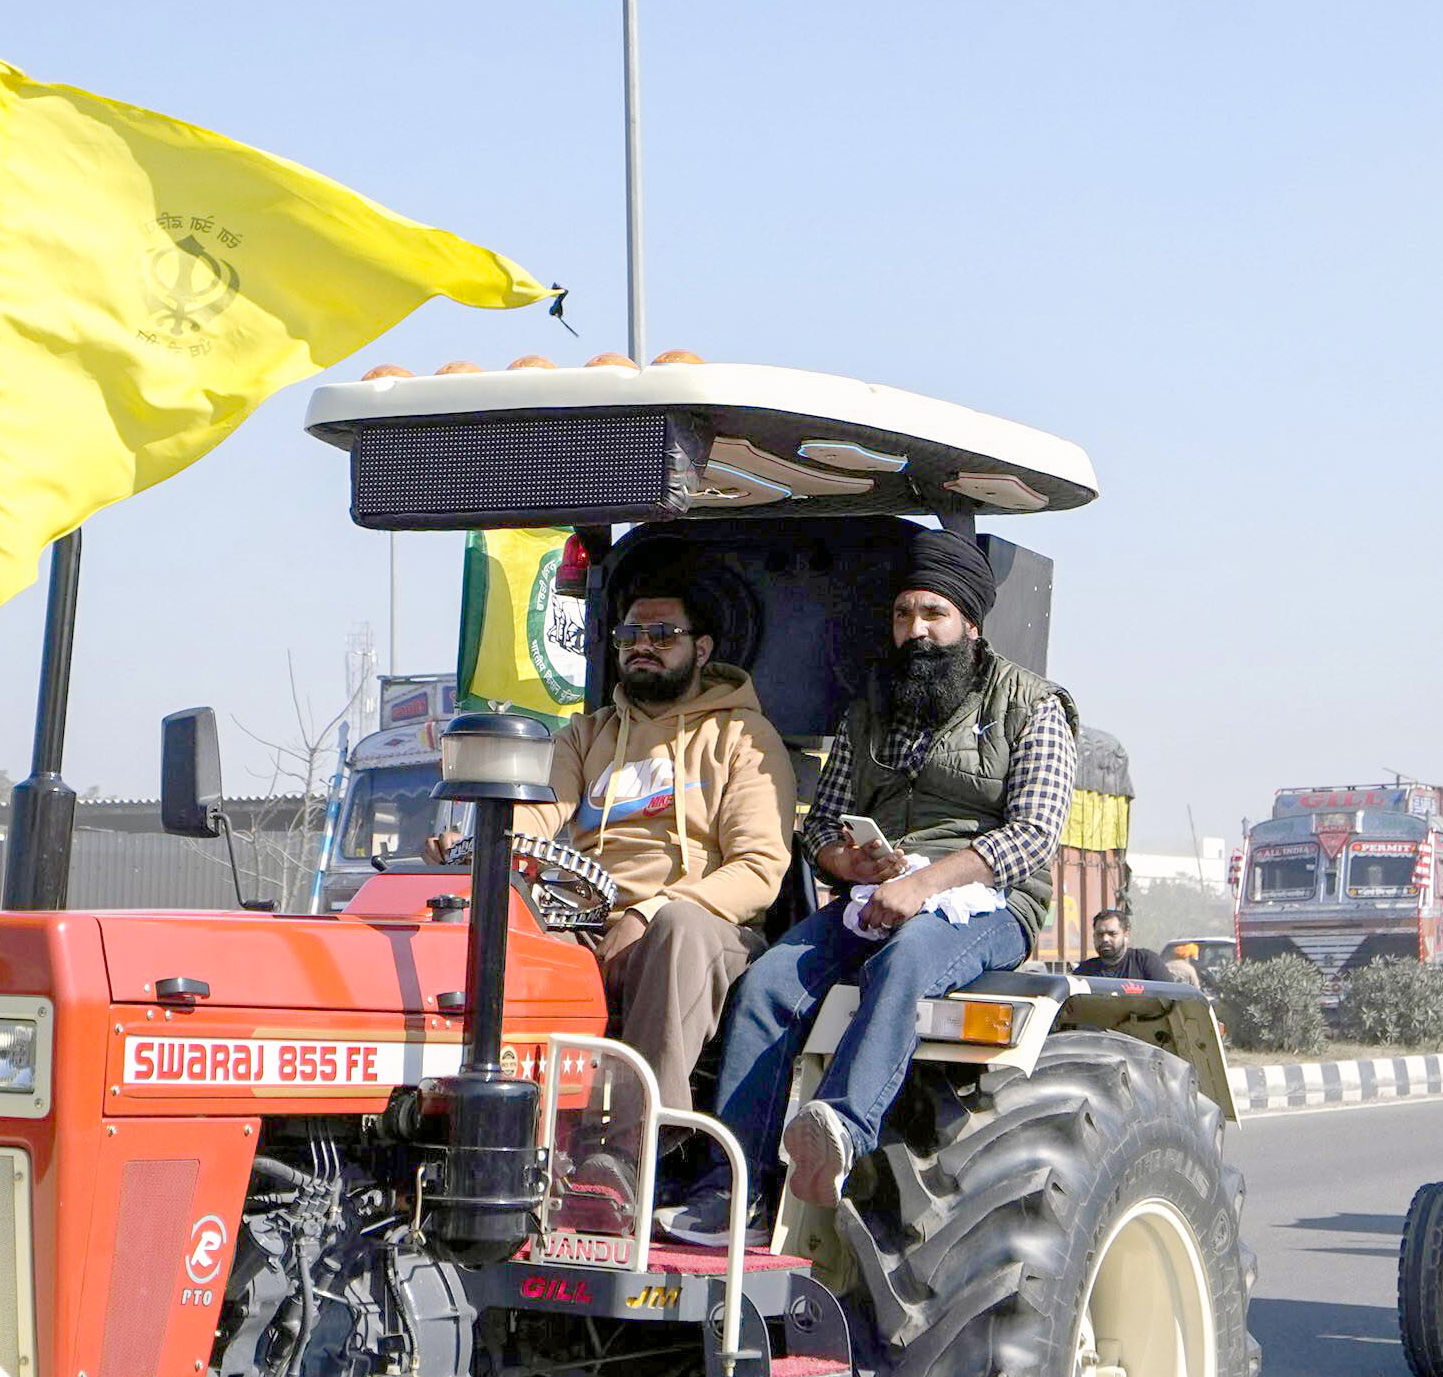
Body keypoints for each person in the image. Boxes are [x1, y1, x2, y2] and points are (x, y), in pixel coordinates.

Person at [667, 526, 1074, 1235]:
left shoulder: (1033, 706)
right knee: (767, 985)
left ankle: (842, 1132)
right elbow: (821, 822)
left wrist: (927, 885)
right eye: (902, 615)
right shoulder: (870, 707)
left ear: (970, 625)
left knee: (907, 958)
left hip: (990, 904)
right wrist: (844, 861)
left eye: (933, 615)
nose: (915, 631)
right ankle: (731, 1188)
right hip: (875, 896)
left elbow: (1032, 835)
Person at [453, 579, 795, 1111]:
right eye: (630, 634)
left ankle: (635, 1142)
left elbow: (759, 869)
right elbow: (538, 815)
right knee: (486, 929)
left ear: (700, 650)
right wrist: (479, 843)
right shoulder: (586, 735)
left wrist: (651, 911)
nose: (642, 646)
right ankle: (493, 1122)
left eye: (663, 635)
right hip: (587, 927)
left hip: (701, 933)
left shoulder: (744, 737)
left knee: (677, 930)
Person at [1075, 905, 1175, 982]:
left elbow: (1171, 998)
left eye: (1112, 933)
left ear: (1126, 936)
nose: (1105, 939)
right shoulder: (1084, 972)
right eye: (1100, 934)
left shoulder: (1145, 962)